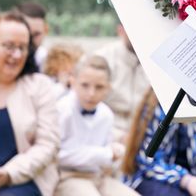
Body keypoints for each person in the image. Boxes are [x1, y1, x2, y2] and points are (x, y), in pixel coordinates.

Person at [0, 11, 60, 195]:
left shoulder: (40, 87)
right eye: (9, 46)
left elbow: (47, 145)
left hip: (24, 181)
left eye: (23, 47)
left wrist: (8, 174)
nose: (17, 55)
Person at [55, 54, 138, 196]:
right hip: (67, 176)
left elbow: (107, 158)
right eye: (85, 85)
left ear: (108, 88)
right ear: (73, 82)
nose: (91, 93)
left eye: (99, 87)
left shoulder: (106, 114)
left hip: (99, 177)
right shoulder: (62, 110)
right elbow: (58, 155)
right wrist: (106, 154)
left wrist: (116, 152)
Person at [95, 23, 150, 142]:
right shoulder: (104, 57)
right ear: (120, 30)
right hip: (107, 134)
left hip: (145, 135)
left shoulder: (156, 59)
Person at [15, 1, 50, 71]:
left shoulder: (49, 63)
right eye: (26, 34)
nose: (31, 40)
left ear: (46, 30)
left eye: (36, 35)